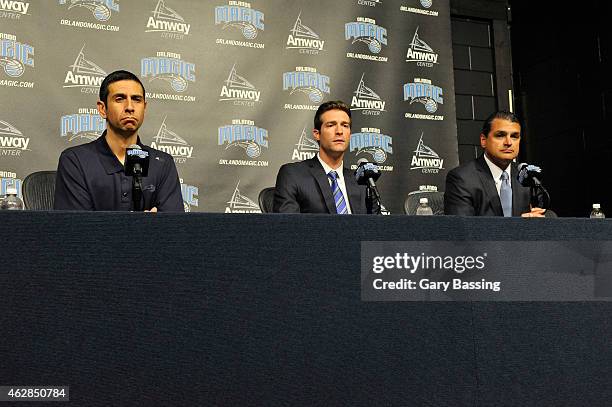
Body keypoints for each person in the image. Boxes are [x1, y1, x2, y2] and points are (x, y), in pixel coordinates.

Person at [54, 70, 184, 212]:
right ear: (103, 109)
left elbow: (174, 229)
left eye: (136, 99)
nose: (129, 107)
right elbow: (76, 229)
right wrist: (145, 227)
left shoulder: (163, 163)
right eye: (120, 99)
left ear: (144, 108)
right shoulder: (75, 161)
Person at [444, 111, 546, 217]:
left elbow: (546, 213)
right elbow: (461, 228)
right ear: (483, 140)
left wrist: (540, 218)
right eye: (500, 135)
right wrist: (519, 227)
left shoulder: (527, 175)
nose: (508, 142)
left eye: (514, 136)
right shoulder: (462, 179)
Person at [273, 100, 366, 213]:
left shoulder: (361, 181)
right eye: (331, 125)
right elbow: (287, 226)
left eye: (345, 125)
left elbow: (378, 227)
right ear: (317, 134)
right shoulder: (293, 174)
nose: (339, 131)